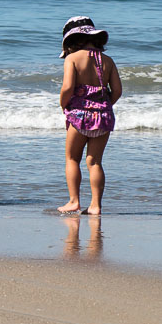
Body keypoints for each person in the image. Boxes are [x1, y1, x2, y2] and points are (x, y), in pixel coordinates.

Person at [57, 16, 122, 215]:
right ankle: (95, 205)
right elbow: (117, 91)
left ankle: (74, 201)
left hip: (79, 115)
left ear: (72, 40)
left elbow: (68, 87)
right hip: (103, 116)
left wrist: (63, 105)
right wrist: (103, 107)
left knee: (72, 158)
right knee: (94, 162)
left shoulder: (72, 59)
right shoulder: (108, 61)